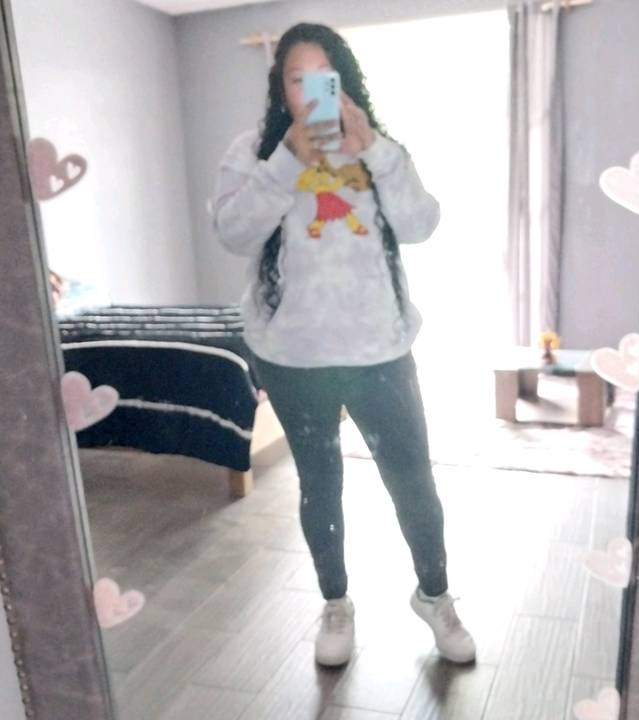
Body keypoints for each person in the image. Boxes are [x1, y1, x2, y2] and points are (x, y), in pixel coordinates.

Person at [213, 21, 475, 667]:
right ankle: (336, 603)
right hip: (293, 356)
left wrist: (375, 150)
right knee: (320, 484)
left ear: (345, 83)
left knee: (412, 481)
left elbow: (421, 224)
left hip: (378, 350)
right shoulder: (253, 152)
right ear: (280, 88)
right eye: (295, 78)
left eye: (322, 77)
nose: (310, 92)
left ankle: (435, 596)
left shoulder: (377, 147)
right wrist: (287, 160)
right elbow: (234, 234)